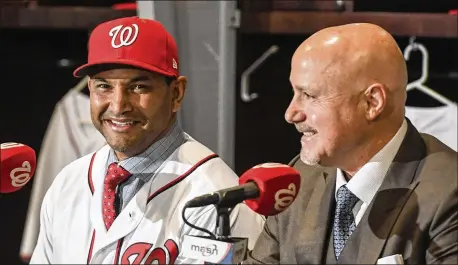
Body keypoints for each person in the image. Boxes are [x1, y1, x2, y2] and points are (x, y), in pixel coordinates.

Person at [30, 16, 264, 264]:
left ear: (176, 93)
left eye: (139, 87)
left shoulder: (218, 197)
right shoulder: (69, 182)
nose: (118, 105)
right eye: (103, 86)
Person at [245, 23, 457, 264]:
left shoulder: (448, 192)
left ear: (372, 103)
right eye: (294, 93)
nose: (291, 113)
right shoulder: (299, 179)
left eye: (310, 96)